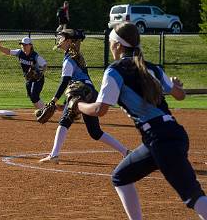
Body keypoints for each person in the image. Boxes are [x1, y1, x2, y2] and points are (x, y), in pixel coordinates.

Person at [71, 22, 207, 219]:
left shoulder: (115, 71)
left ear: (118, 45)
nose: (110, 46)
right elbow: (180, 95)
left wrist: (77, 104)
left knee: (193, 196)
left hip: (161, 140)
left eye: (111, 42)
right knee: (121, 177)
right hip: (168, 135)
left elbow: (100, 110)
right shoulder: (152, 68)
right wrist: (176, 86)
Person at [39, 29, 129, 164]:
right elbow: (75, 84)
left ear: (69, 41)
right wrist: (65, 105)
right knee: (95, 132)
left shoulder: (69, 60)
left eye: (62, 38)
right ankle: (126, 152)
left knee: (64, 122)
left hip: (79, 92)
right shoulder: (77, 56)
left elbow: (66, 82)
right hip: (90, 92)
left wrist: (54, 99)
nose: (59, 40)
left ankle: (54, 155)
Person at [0, 37, 47, 109]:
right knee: (31, 97)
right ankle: (44, 109)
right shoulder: (19, 52)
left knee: (34, 95)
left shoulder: (35, 56)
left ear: (30, 45)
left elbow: (44, 65)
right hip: (28, 78)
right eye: (22, 44)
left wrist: (40, 73)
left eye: (25, 45)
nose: (23, 46)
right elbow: (8, 51)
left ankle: (44, 110)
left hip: (37, 79)